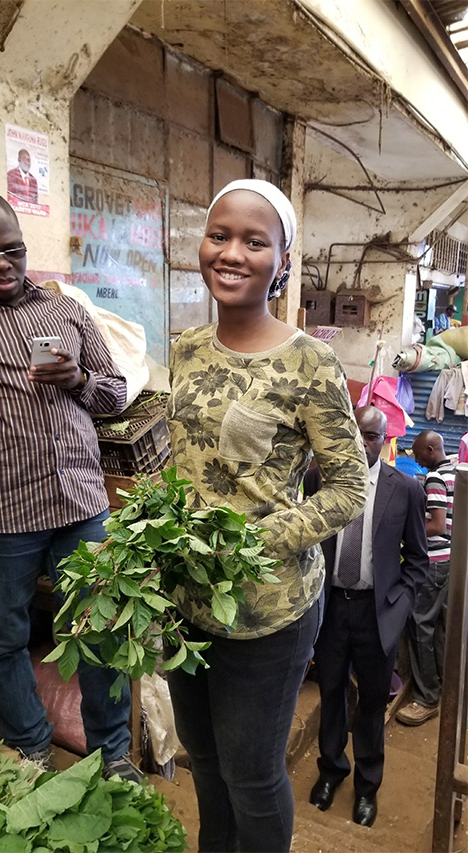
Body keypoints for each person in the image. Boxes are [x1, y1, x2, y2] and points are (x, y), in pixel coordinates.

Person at [165, 178, 369, 853]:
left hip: (268, 608)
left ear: (281, 262)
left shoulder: (311, 361)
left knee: (252, 774)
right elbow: (186, 463)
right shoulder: (188, 348)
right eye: (219, 235)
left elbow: (347, 487)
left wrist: (259, 538)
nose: (231, 252)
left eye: (255, 241)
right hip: (185, 599)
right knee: (205, 763)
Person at [0, 190, 140, 781]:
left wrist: (78, 378)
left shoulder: (66, 311)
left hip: (80, 502)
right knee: (3, 636)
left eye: (13, 251)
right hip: (5, 513)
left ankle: (113, 753)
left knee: (100, 628)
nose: (3, 264)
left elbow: (115, 393)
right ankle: (28, 746)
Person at [306, 406, 428, 827]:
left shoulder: (406, 489)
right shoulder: (318, 479)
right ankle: (330, 771)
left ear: (385, 439)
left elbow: (417, 560)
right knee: (332, 693)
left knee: (372, 704)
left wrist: (399, 609)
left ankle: (367, 787)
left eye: (372, 436)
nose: (362, 443)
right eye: (355, 433)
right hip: (332, 608)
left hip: (378, 613)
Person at [396, 430, 455, 726]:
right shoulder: (456, 472)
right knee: (440, 627)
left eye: (419, 454)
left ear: (431, 449)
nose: (417, 461)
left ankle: (426, 699)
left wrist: (405, 530)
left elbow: (437, 526)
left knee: (420, 626)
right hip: (449, 563)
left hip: (432, 562)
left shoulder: (435, 478)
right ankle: (445, 687)